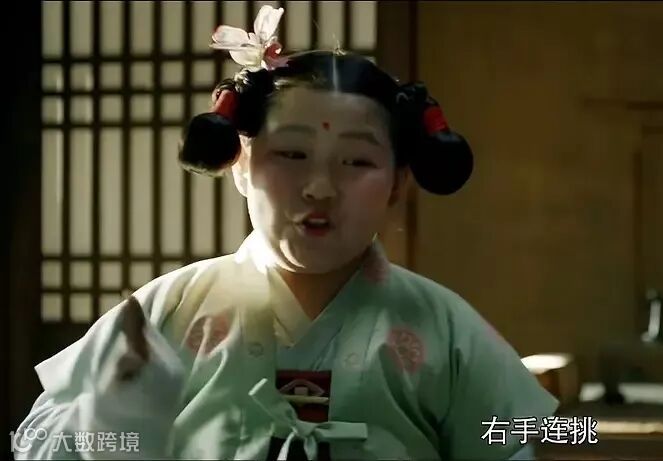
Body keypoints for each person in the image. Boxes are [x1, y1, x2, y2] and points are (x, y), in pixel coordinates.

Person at [14, 6, 557, 460]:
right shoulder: (169, 310)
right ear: (241, 164)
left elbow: (528, 437)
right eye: (292, 154)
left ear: (397, 183)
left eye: (356, 162)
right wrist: (110, 416)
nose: (320, 187)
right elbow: (34, 442)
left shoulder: (443, 326)